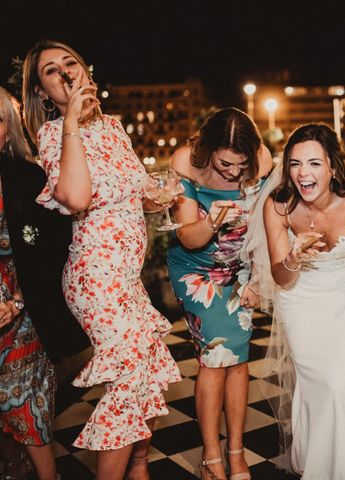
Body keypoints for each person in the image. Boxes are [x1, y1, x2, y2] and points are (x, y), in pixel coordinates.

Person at [22, 40, 181, 480]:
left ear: (86, 70)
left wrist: (155, 196)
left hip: (128, 277)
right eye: (52, 71)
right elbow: (75, 198)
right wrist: (70, 119)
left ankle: (138, 467)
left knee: (146, 368)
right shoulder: (54, 134)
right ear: (42, 93)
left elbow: (133, 194)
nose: (65, 73)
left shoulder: (113, 127)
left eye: (70, 63)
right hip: (96, 276)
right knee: (130, 377)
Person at [262, 123, 345, 479]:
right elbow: (281, 276)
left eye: (314, 163)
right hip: (301, 299)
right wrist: (294, 258)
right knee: (319, 384)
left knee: (338, 381)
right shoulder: (279, 206)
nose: (303, 173)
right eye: (296, 164)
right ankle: (324, 461)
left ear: (332, 166)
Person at [167, 107, 271, 480]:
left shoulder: (261, 158)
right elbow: (188, 236)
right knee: (215, 356)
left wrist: (258, 277)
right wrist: (214, 219)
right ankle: (212, 455)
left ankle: (236, 450)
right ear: (208, 149)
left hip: (239, 268)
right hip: (196, 272)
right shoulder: (185, 162)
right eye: (225, 164)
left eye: (240, 165)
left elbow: (263, 223)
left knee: (239, 359)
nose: (233, 173)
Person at [0, 86, 58, 480]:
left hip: (24, 308)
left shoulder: (27, 177)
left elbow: (52, 249)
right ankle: (12, 463)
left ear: (9, 128)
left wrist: (17, 302)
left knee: (20, 400)